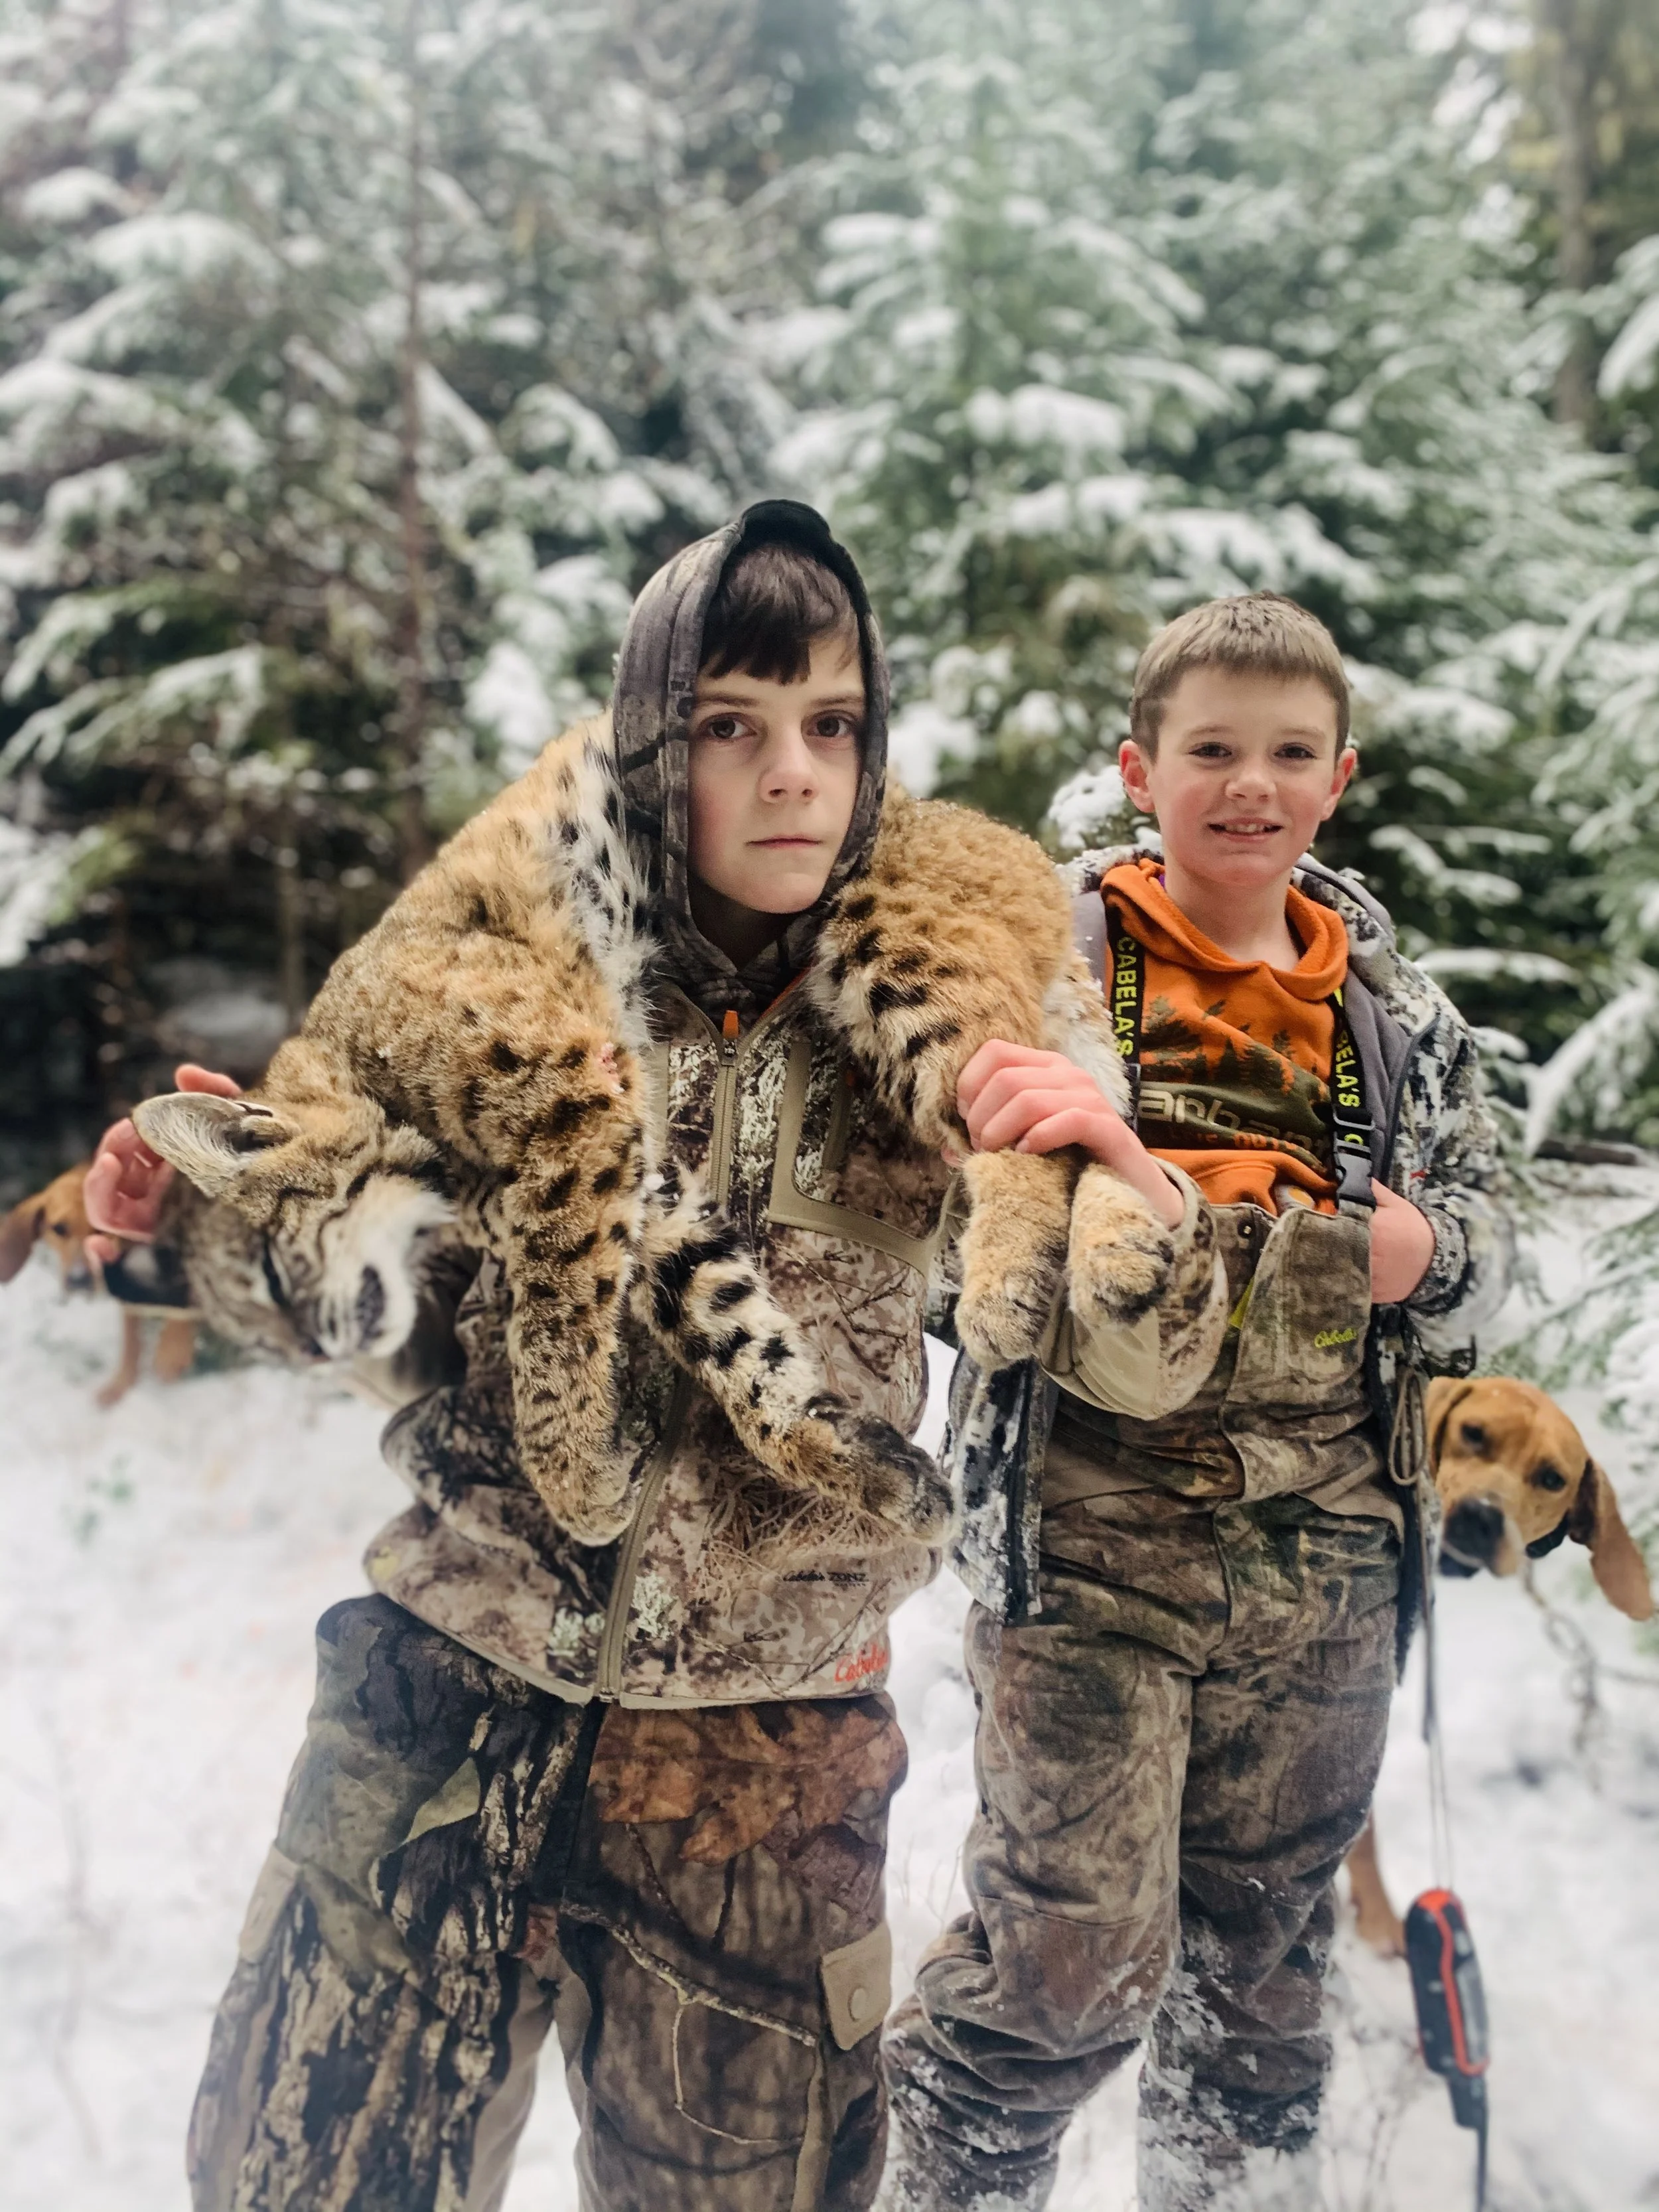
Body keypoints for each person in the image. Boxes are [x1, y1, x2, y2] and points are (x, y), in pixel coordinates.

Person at [86, 500, 958, 2212]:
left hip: (758, 1764)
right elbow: (354, 1303)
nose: (792, 772)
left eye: (831, 724)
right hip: (445, 1694)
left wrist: (1137, 1188)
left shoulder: (938, 1013)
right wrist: (186, 1232)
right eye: (730, 726)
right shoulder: (485, 979)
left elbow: (1085, 1317)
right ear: (646, 748)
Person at [877, 593, 1512, 2212]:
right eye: (1209, 749)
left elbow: (1487, 1253)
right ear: (1136, 766)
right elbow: (940, 1256)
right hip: (1090, 1530)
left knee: (1265, 1972)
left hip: (1324, 1555)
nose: (1249, 784)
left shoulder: (1397, 1014)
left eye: (1287, 753)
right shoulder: (1040, 968)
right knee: (1062, 1960)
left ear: (1336, 776)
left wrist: (1413, 1248)